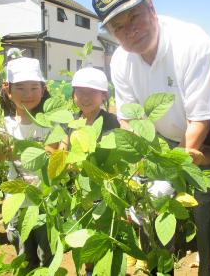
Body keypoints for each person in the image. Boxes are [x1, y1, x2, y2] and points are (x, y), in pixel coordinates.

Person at [92, 0, 210, 275]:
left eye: (134, 17)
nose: (130, 31)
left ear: (151, 6)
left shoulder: (192, 42)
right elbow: (130, 118)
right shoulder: (122, 61)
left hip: (204, 140)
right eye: (118, 27)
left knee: (206, 211)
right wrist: (143, 167)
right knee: (150, 214)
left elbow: (200, 119)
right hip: (158, 142)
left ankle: (209, 268)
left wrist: (171, 171)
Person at [0, 57, 54, 272]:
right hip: (17, 201)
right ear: (8, 90)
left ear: (42, 89)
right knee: (23, 255)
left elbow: (57, 154)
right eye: (20, 88)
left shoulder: (49, 124)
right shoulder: (4, 125)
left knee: (48, 253)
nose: (28, 94)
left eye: (33, 87)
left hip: (45, 200)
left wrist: (23, 150)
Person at [65, 67, 120, 276]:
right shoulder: (71, 121)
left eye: (92, 92)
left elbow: (117, 159)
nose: (85, 98)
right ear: (73, 95)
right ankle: (89, 271)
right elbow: (63, 151)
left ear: (103, 95)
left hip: (104, 190)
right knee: (85, 236)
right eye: (80, 92)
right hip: (79, 193)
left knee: (105, 236)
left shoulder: (111, 122)